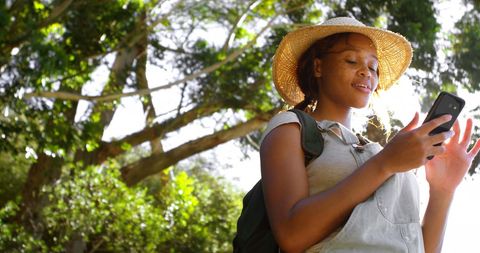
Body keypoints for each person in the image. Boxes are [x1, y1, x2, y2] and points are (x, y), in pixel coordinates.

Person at [260, 16, 480, 252]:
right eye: (352, 60)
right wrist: (385, 163)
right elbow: (292, 236)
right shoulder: (291, 127)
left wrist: (443, 190)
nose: (367, 72)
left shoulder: (382, 153)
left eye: (373, 66)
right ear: (318, 67)